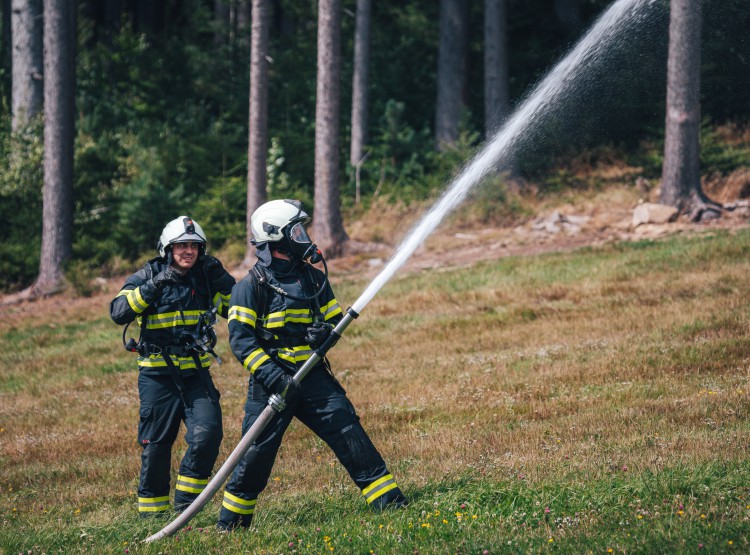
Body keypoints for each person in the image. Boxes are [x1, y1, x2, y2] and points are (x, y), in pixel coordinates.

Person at [217, 199, 407, 531]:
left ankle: (389, 502)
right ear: (276, 236)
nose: (303, 236)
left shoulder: (313, 278)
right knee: (256, 453)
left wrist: (322, 336)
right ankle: (231, 524)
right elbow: (241, 341)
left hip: (312, 375)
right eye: (296, 230)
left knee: (346, 428)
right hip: (272, 383)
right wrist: (274, 376)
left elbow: (334, 322)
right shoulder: (250, 286)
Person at [110, 216, 236, 516]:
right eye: (181, 245)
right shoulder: (147, 274)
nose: (188, 251)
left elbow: (235, 309)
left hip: (196, 373)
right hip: (157, 376)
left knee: (208, 434)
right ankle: (151, 514)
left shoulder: (206, 277)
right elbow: (118, 312)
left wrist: (223, 280)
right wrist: (153, 286)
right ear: (168, 248)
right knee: (156, 444)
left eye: (194, 246)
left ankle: (186, 504)